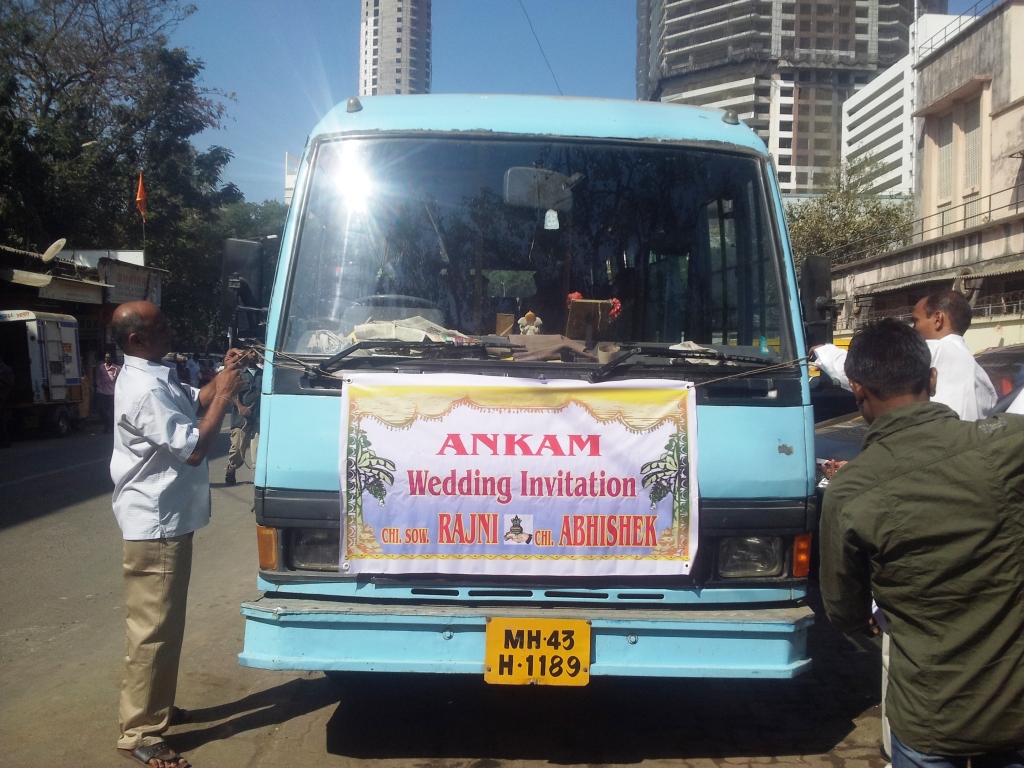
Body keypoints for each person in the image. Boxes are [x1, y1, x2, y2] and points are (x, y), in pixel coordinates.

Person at [819, 318, 1024, 768]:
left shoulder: (850, 491)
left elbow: (844, 611)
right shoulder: (1008, 444)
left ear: (858, 391)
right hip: (1015, 710)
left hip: (930, 716)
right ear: (931, 379)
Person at [109, 300, 244, 768]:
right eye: (162, 327)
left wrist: (219, 380)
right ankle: (141, 731)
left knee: (165, 625)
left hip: (167, 520)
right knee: (153, 629)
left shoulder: (156, 375)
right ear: (135, 340)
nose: (171, 332)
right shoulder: (144, 389)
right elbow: (192, 449)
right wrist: (225, 395)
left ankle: (155, 708)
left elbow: (195, 401)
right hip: (156, 523)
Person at [814, 290, 996, 421]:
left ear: (938, 319)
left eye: (916, 321)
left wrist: (823, 351)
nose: (914, 329)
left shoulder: (934, 350)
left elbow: (865, 371)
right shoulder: (981, 377)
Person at [224, 354, 262, 486]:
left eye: (255, 354)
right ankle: (232, 467)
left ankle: (257, 477)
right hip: (241, 418)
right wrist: (240, 407)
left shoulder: (264, 374)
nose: (252, 357)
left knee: (257, 448)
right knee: (238, 448)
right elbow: (231, 392)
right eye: (250, 354)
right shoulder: (239, 374)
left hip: (259, 418)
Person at [95, 351, 121, 433]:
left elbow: (119, 381)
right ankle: (107, 424)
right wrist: (98, 385)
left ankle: (111, 427)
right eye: (106, 357)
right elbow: (98, 377)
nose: (107, 359)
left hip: (112, 393)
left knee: (112, 411)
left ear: (112, 359)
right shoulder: (101, 367)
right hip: (102, 391)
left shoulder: (116, 368)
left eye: (109, 357)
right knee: (101, 409)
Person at [0, 352, 14, 448]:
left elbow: (10, 383)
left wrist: (1, 379)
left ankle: (6, 441)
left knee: (1, 419)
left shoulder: (6, 369)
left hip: (3, 396)